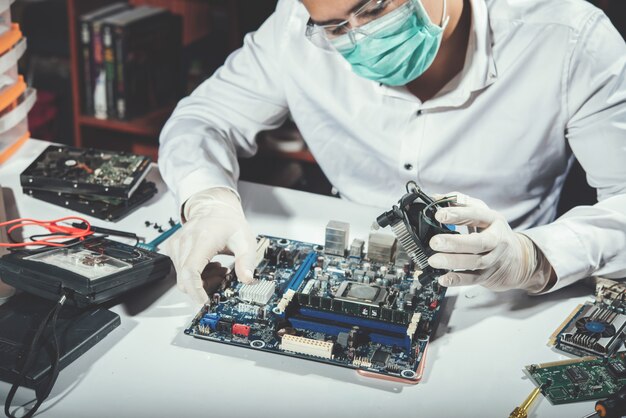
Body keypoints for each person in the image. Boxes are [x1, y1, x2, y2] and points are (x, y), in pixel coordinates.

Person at [159, 0, 626, 304]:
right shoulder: (293, 30)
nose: (359, 37)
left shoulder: (567, 35)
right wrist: (207, 201)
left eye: (375, 8)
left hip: (510, 293)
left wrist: (531, 257)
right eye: (336, 27)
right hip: (344, 264)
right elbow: (201, 119)